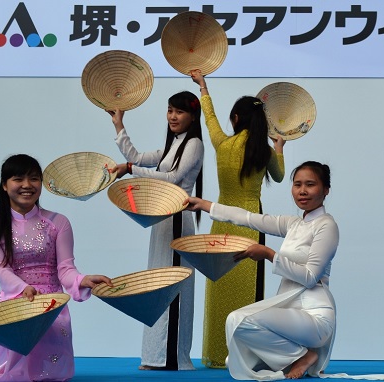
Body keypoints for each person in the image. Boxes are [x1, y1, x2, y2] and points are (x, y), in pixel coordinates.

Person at [0, 154, 113, 382]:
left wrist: (83, 279)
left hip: (52, 305)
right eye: (18, 179)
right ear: (5, 185)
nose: (27, 185)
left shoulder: (58, 222)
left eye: (34, 179)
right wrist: (24, 289)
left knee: (50, 375)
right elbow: (0, 269)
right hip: (15, 303)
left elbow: (65, 269)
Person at [186, 161, 339, 380]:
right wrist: (204, 204)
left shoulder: (327, 225)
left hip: (314, 316)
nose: (302, 191)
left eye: (310, 185)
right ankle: (296, 356)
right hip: (289, 315)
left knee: (239, 319)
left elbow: (310, 277)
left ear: (325, 190)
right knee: (235, 359)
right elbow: (249, 218)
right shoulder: (294, 224)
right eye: (297, 185)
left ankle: (303, 356)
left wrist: (269, 254)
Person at [190, 69, 286, 368]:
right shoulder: (264, 151)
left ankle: (219, 354)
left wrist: (203, 87)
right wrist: (280, 149)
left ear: (236, 119)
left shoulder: (223, 144)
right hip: (253, 223)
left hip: (222, 219)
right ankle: (248, 355)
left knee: (220, 286)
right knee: (251, 293)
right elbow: (280, 177)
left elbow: (210, 120)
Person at [106, 91, 204, 371]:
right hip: (163, 220)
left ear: (192, 116)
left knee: (172, 286)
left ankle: (171, 358)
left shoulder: (194, 143)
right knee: (157, 283)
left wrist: (131, 169)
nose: (173, 116)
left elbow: (172, 179)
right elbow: (136, 156)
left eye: (180, 112)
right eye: (170, 110)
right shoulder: (172, 144)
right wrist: (118, 124)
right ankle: (155, 356)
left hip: (177, 220)